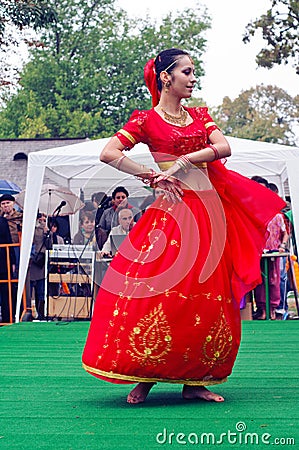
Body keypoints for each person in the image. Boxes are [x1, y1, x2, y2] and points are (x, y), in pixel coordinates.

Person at [82, 48, 286, 404]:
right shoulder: (146, 121)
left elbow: (223, 148)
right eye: (187, 72)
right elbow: (109, 152)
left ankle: (196, 381)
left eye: (194, 73)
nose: (193, 79)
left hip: (208, 214)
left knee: (207, 298)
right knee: (154, 293)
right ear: (166, 77)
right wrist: (150, 175)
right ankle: (144, 375)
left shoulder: (201, 117)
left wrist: (184, 161)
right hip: (171, 215)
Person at [252, 181, 289, 320]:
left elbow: (285, 232)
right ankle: (262, 310)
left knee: (274, 280)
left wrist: (282, 246)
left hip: (275, 251)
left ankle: (273, 309)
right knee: (260, 280)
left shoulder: (278, 215)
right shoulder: (254, 214)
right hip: (259, 252)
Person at [0, 216, 16, 323]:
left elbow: (8, 240)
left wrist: (13, 260)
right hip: (3, 260)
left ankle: (8, 318)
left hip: (3, 261)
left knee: (6, 291)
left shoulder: (2, 221)